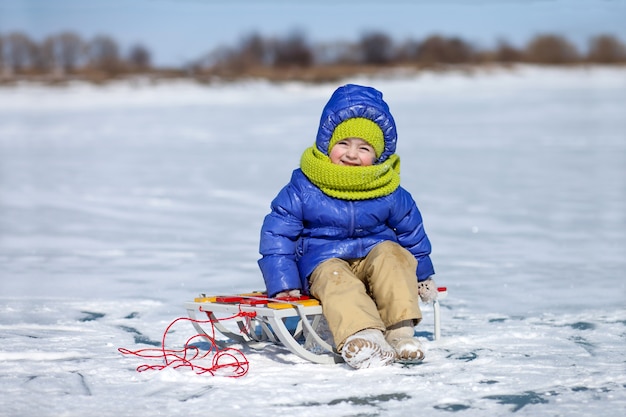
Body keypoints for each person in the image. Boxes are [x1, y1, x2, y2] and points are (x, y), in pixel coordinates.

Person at [258, 84, 438, 369]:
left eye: (364, 148)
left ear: (377, 156)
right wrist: (284, 284)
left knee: (393, 254)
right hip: (323, 261)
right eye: (343, 144)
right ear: (327, 144)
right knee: (335, 277)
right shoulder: (303, 187)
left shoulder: (387, 189)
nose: (351, 155)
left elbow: (411, 233)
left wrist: (424, 275)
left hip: (373, 261)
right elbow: (277, 234)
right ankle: (363, 336)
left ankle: (399, 332)